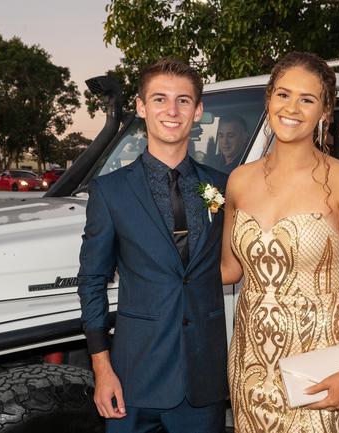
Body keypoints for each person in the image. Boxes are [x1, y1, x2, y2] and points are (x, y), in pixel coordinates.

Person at [221, 52, 339, 432]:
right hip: (250, 359)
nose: (292, 108)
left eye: (307, 99)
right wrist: (153, 260)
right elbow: (229, 269)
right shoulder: (238, 181)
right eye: (283, 94)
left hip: (319, 359)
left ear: (325, 111)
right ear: (269, 100)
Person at [77, 58, 228, 433]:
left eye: (183, 100)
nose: (172, 111)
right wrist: (102, 368)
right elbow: (92, 281)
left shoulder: (224, 187)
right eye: (160, 99)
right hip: (134, 378)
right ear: (142, 108)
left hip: (202, 380)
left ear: (198, 111)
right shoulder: (109, 191)